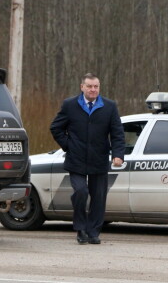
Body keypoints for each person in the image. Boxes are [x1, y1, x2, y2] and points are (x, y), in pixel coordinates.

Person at [50, 73, 125, 244]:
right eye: (89, 86)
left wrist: (118, 155)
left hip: (99, 159)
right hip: (76, 159)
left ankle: (93, 232)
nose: (93, 90)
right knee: (81, 192)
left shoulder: (109, 106)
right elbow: (56, 128)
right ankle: (80, 228)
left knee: (98, 197)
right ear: (82, 87)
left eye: (96, 86)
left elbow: (117, 133)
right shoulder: (70, 105)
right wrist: (68, 145)